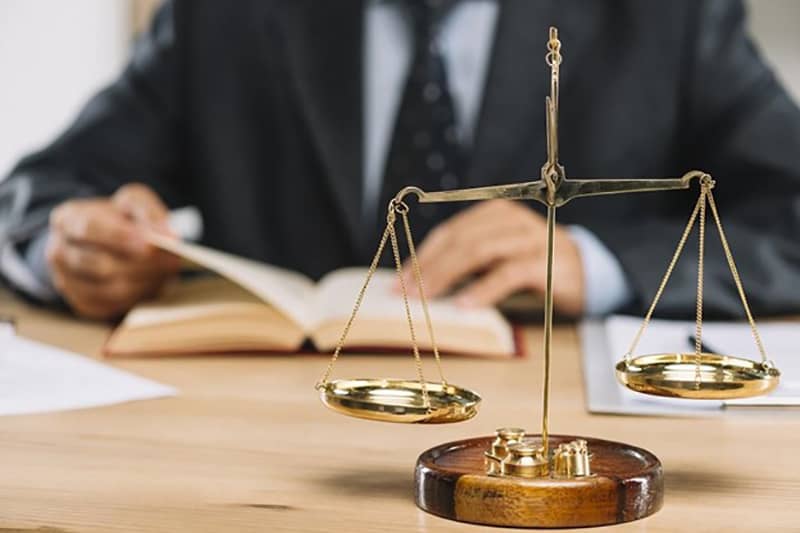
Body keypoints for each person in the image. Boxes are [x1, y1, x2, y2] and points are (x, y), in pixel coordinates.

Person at [1, 0, 799, 321]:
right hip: (269, 453)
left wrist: (599, 262)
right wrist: (70, 244)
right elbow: (39, 192)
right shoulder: (226, 12)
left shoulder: (669, 16)